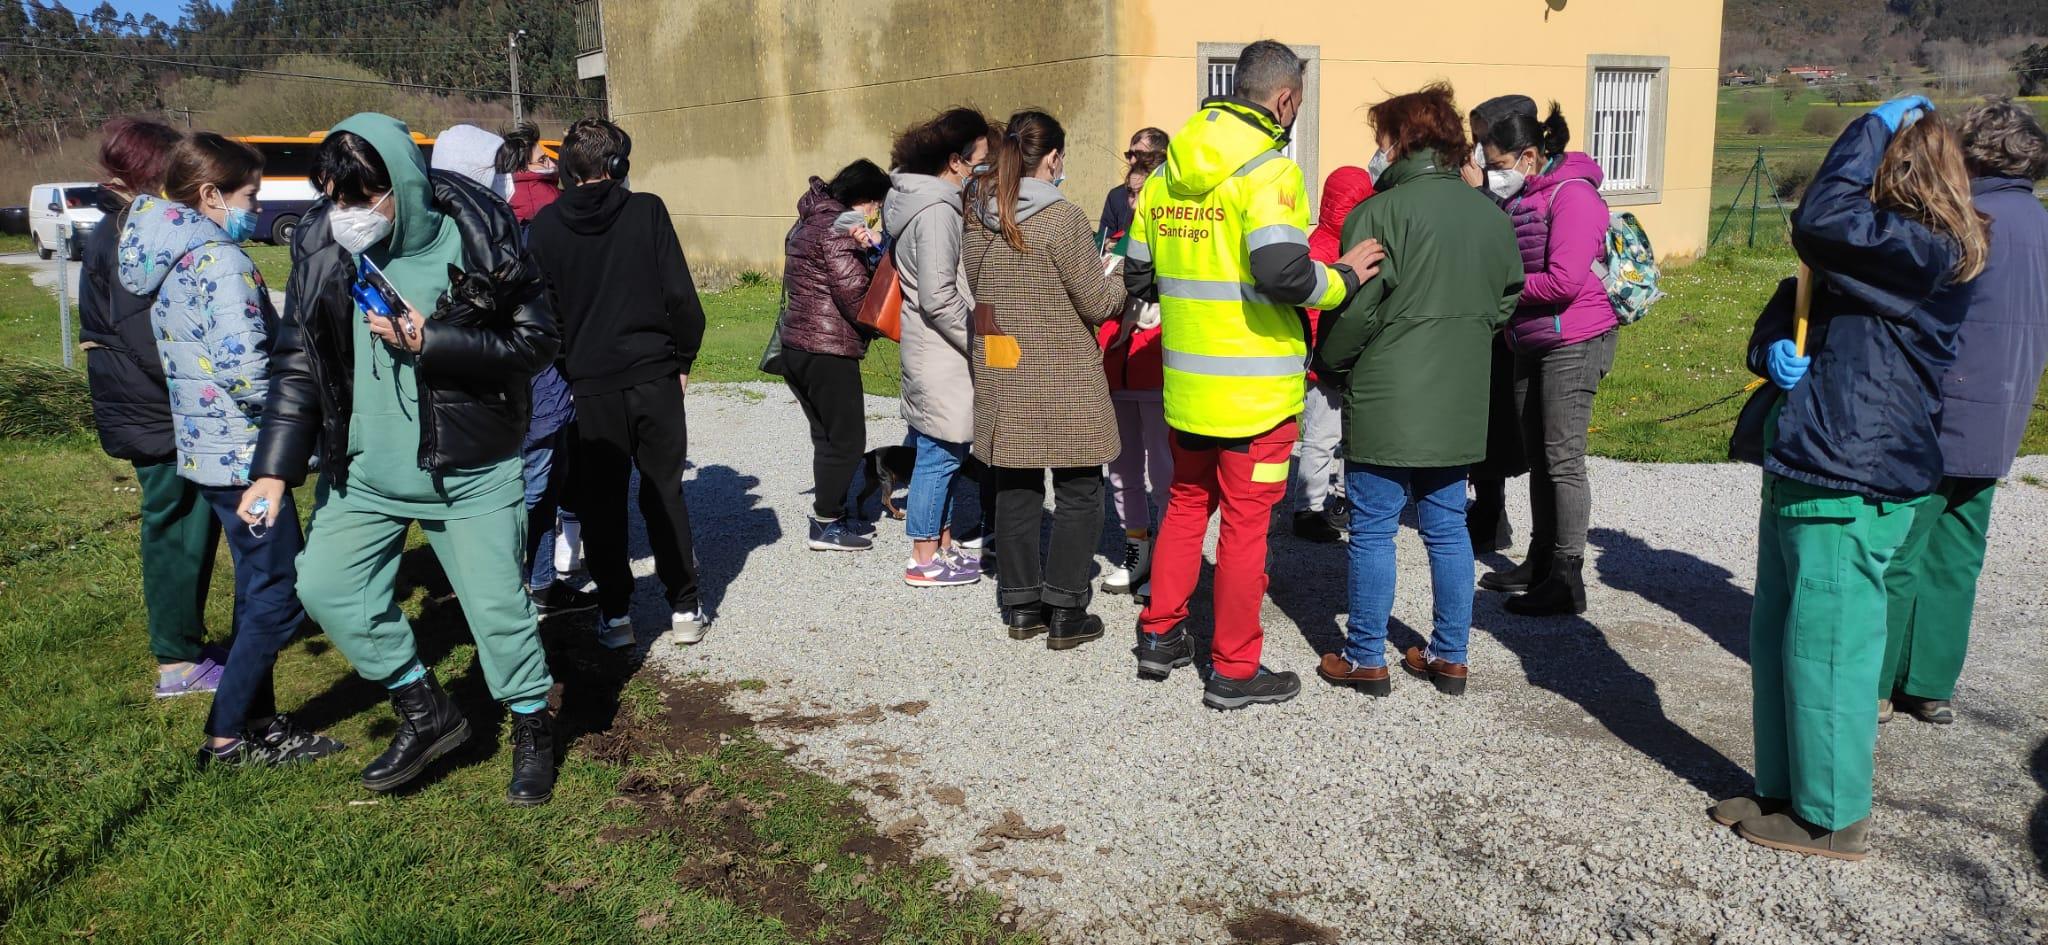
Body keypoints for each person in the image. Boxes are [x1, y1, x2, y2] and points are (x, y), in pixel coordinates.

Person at [240, 113, 563, 804]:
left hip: (468, 470)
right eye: (334, 197)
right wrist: (272, 468)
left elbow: (536, 343)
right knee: (326, 586)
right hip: (364, 470)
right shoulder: (323, 243)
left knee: (499, 614)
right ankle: (425, 707)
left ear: (402, 187)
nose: (346, 214)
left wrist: (432, 341)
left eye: (361, 198)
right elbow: (299, 358)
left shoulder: (481, 237)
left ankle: (532, 723)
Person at [1714, 97, 1986, 860]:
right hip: (1807, 457)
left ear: (1900, 172)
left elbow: (1823, 219)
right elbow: (1792, 298)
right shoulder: (1874, 247)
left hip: (1850, 472)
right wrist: (1771, 347)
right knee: (1782, 636)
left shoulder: (1930, 251)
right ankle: (1782, 791)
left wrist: (1868, 125)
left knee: (1829, 646)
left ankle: (1831, 813)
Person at [1123, 40, 1384, 709]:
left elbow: (1138, 276)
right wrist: (1343, 278)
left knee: (1186, 506)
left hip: (1188, 385)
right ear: (1285, 99)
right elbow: (1282, 273)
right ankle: (1235, 668)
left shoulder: (1164, 175)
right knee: (1244, 529)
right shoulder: (1271, 173)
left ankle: (1159, 634)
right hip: (1256, 394)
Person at [117, 133, 345, 767]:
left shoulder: (170, 253)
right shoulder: (220, 261)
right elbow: (247, 371)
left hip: (208, 449)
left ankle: (259, 721)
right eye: (250, 195)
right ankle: (226, 735)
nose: (257, 207)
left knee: (256, 588)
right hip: (248, 457)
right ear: (210, 195)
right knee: (280, 592)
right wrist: (304, 420)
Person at [1315, 84, 1525, 698]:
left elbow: (1356, 310)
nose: (1377, 148)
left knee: (1374, 526)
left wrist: (1329, 361)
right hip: (1460, 390)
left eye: (1381, 136)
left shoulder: (1376, 213)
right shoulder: (1489, 215)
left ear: (1401, 140)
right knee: (1447, 525)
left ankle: (1365, 656)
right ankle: (1450, 655)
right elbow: (1506, 298)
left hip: (1387, 390)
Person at [1877, 98, 2048, 726]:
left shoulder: (1967, 217)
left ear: (1972, 151)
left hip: (1942, 403)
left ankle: (1874, 682)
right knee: (1958, 551)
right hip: (2006, 404)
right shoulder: (2041, 222)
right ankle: (1929, 683)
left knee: (1900, 547)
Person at [528, 119, 709, 649]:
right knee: (664, 491)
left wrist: (573, 365)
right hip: (654, 374)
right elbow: (681, 298)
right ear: (617, 165)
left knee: (602, 501)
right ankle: (684, 607)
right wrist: (682, 359)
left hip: (590, 385)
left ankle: (615, 615)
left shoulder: (545, 227)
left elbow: (546, 317)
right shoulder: (647, 211)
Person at [963, 110, 1126, 648]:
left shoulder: (977, 215)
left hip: (1003, 368)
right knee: (1080, 490)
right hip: (1063, 371)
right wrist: (1123, 274)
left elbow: (981, 292)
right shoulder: (1062, 218)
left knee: (1015, 487)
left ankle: (1020, 606)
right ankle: (1065, 608)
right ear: (1053, 158)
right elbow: (1098, 303)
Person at [80, 118, 230, 699]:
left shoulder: (128, 224)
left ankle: (185, 644)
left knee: (188, 524)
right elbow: (146, 335)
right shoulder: (127, 232)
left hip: (151, 403)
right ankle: (177, 662)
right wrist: (208, 383)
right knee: (177, 526)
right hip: (155, 408)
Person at [1474, 104, 1619, 617]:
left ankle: (1566, 575)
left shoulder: (1573, 195)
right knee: (1539, 457)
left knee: (1562, 460)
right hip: (1531, 339)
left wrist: (1500, 289)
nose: (1494, 174)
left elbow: (1564, 280)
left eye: (1498, 164)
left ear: (1530, 156)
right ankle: (1540, 559)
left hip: (1573, 340)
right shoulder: (1525, 197)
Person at [885, 106, 992, 588]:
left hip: (931, 346)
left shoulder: (925, 202)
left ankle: (942, 547)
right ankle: (923, 557)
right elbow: (940, 295)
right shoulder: (936, 211)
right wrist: (983, 339)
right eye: (979, 162)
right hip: (940, 351)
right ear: (954, 161)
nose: (981, 172)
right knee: (939, 454)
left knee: (944, 449)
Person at [492, 122, 589, 615]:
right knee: (539, 482)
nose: (552, 162)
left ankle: (541, 579)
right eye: (542, 157)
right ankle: (528, 585)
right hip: (543, 372)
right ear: (525, 169)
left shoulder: (497, 219)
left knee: (542, 477)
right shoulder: (545, 215)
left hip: (524, 373)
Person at [780, 158, 892, 550]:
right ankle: (826, 524)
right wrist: (875, 259)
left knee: (827, 437)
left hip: (797, 344)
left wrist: (866, 247)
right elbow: (854, 295)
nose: (875, 213)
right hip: (828, 347)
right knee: (846, 440)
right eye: (876, 204)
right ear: (863, 198)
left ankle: (832, 514)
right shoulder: (841, 225)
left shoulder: (811, 219)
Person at [1463, 95, 1539, 554]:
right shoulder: (1494, 178)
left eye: (1484, 142)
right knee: (1487, 417)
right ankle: (1489, 507)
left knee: (1502, 423)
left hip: (1515, 323)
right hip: (1491, 321)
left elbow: (1505, 238)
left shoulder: (1526, 189)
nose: (1478, 155)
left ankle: (1494, 515)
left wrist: (1480, 195)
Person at [1293, 164, 1374, 543]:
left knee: (1348, 436)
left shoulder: (1337, 244)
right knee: (1322, 437)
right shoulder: (1326, 248)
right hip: (1325, 363)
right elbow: (1311, 313)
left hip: (1342, 358)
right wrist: (1323, 359)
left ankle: (1342, 499)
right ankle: (1308, 508)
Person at [1099, 127, 1168, 244]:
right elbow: (1102, 240)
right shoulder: (1117, 196)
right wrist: (1110, 243)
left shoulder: (1173, 195)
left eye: (1139, 154)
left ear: (1160, 157)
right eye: (1129, 154)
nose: (1132, 160)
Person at [499, 122, 563, 224]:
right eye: (542, 160)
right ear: (522, 167)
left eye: (547, 158)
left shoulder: (503, 187)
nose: (552, 164)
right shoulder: (545, 197)